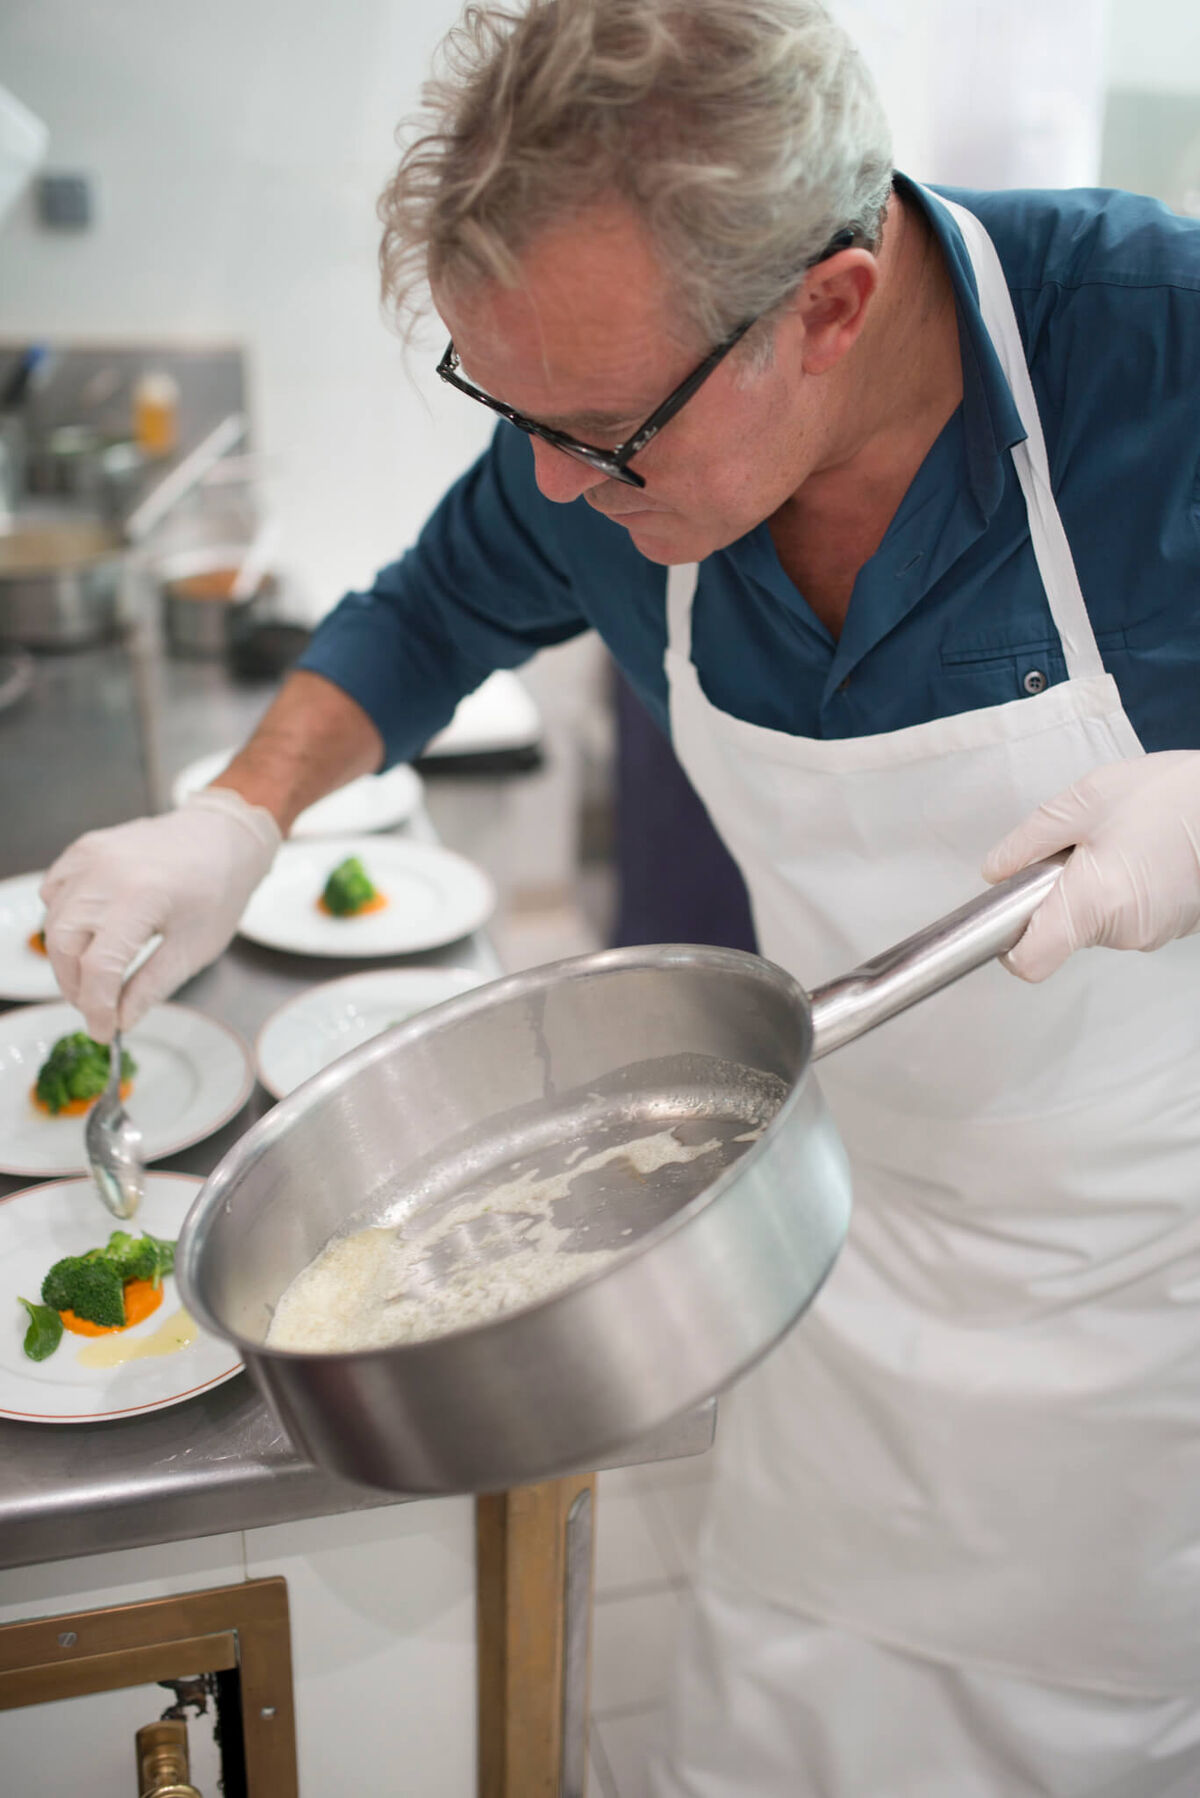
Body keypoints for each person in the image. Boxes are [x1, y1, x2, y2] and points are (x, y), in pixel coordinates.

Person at [41, 1, 1200, 1790]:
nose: (554, 483)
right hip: (845, 1267)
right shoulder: (599, 440)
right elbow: (432, 606)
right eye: (513, 414)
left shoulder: (1159, 347)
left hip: (1151, 1333)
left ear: (827, 307)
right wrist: (243, 817)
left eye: (599, 433)